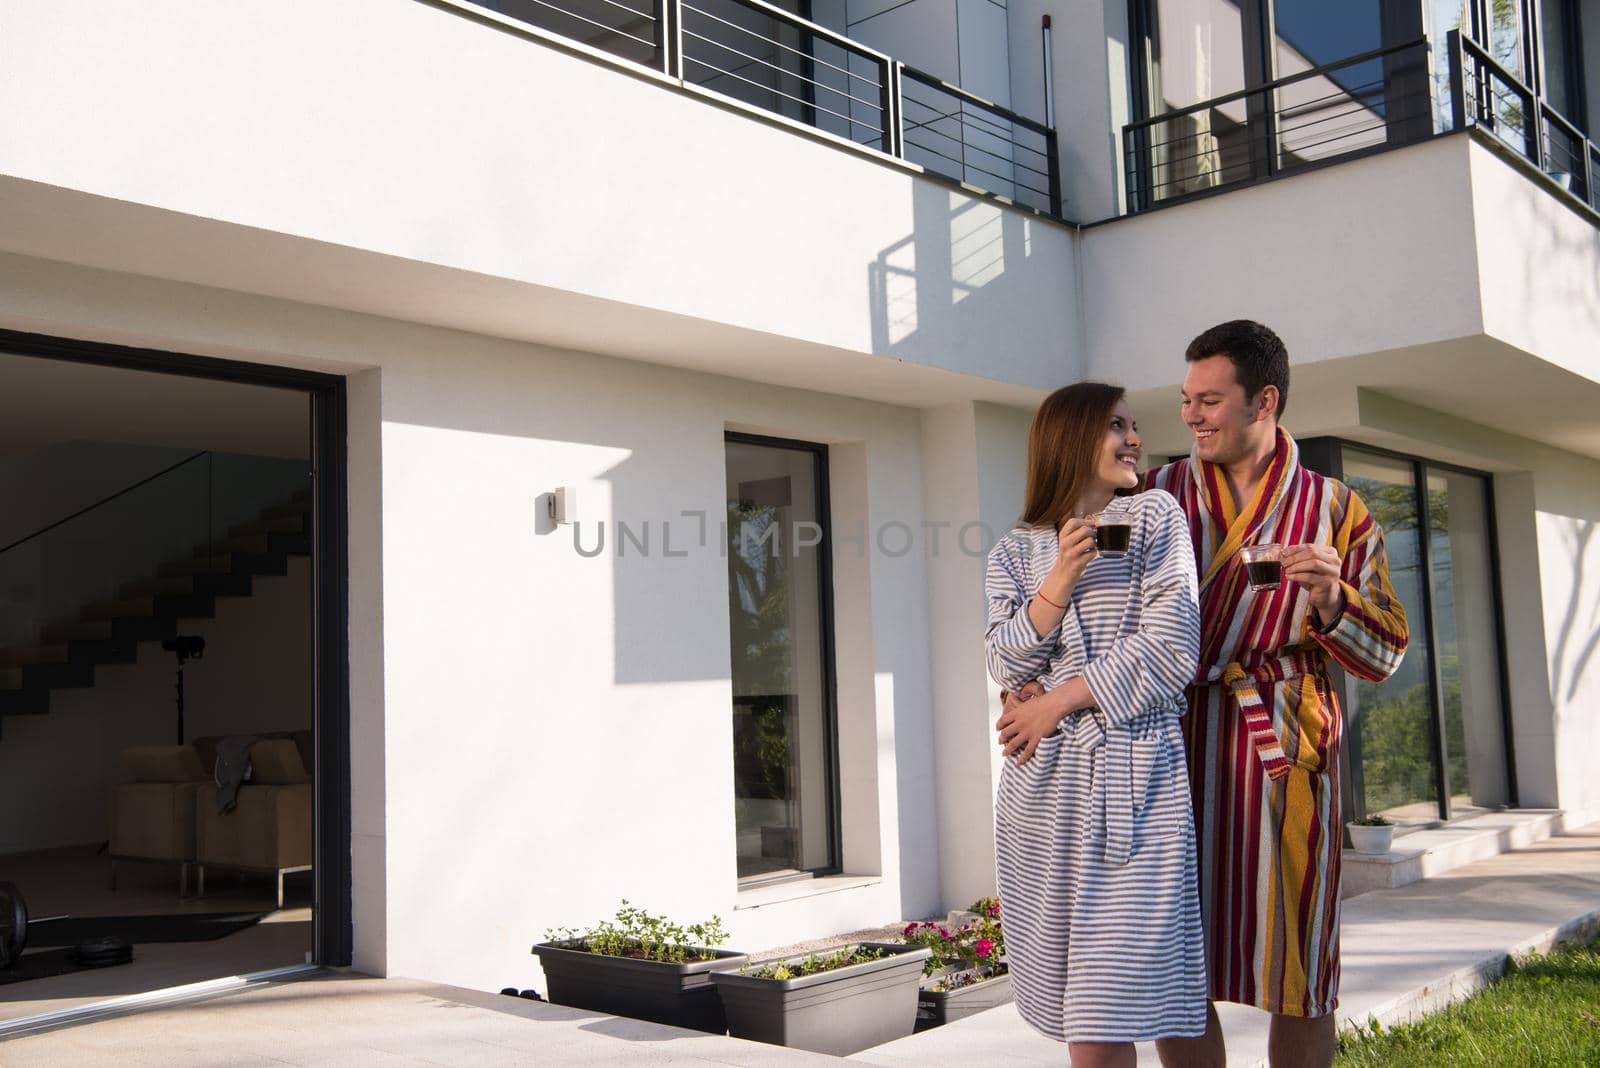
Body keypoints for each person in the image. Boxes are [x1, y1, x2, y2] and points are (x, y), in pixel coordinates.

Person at [1005, 321, 1407, 1067]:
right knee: (1169, 970)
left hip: (1280, 754)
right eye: (1186, 399)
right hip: (1162, 751)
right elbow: (1075, 603)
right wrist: (1031, 681)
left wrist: (1330, 603)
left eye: (1210, 400)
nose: (1189, 416)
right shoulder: (1152, 496)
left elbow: (1385, 652)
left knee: (1301, 969)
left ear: (1265, 401)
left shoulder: (1335, 511)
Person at [985, 382, 1206, 1068]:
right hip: (1042, 797)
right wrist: (1060, 579)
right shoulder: (1013, 553)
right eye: (1117, 425)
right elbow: (1002, 660)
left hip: (1136, 788)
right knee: (1077, 1004)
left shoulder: (1156, 519)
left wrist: (1054, 700)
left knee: (1107, 1011)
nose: (1136, 438)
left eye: (1134, 425)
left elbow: (1173, 650)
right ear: (1071, 437)